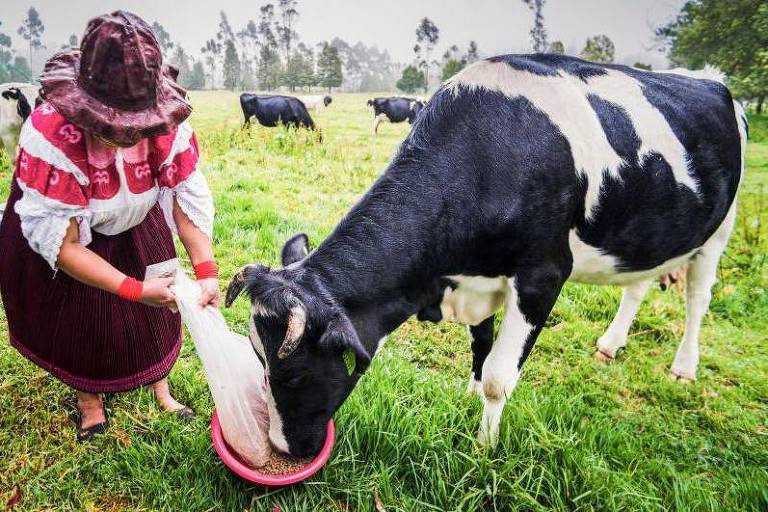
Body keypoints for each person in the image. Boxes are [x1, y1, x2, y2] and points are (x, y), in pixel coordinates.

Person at [0, 11, 219, 441]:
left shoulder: (165, 127)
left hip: (137, 220)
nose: (127, 136)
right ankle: (90, 401)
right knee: (84, 322)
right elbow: (64, 248)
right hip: (77, 235)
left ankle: (160, 386)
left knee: (157, 313)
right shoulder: (51, 137)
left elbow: (183, 199)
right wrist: (131, 288)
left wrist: (206, 268)